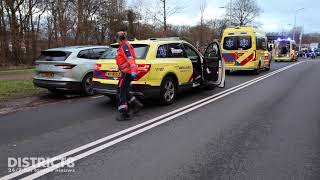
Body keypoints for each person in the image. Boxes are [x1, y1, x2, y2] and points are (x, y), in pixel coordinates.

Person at [115, 31, 143, 121]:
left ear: (118, 39)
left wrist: (134, 70)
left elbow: (130, 58)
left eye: (117, 39)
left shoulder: (124, 46)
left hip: (128, 73)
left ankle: (124, 113)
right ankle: (136, 104)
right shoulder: (125, 45)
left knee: (120, 90)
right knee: (124, 89)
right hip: (127, 72)